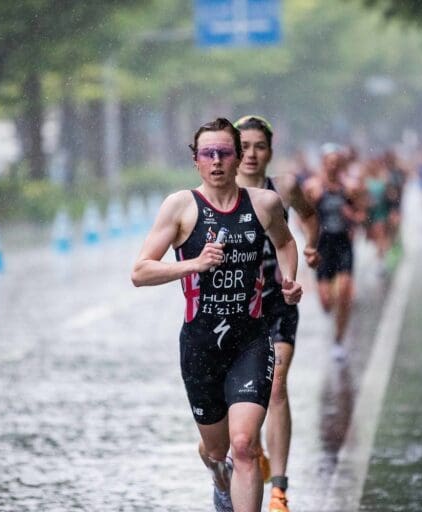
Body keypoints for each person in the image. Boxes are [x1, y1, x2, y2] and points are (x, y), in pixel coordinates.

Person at [131, 118, 303, 512]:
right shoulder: (180, 207)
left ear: (238, 157)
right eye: (208, 154)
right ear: (196, 161)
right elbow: (140, 271)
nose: (217, 161)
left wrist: (289, 278)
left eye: (225, 152)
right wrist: (193, 264)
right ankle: (217, 474)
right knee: (216, 449)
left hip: (251, 341)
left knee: (243, 447)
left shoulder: (264, 204)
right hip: (201, 346)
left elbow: (286, 242)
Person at [233, 115, 319, 512]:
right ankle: (251, 448)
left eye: (259, 147)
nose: (251, 154)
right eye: (244, 146)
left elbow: (309, 215)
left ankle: (279, 489)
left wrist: (313, 246)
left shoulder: (281, 189)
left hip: (277, 302)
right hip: (235, 312)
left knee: (277, 384)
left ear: (270, 151)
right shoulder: (222, 193)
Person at [303, 144, 364, 361]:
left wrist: (352, 216)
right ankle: (332, 312)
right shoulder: (312, 187)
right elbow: (304, 217)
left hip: (343, 245)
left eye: (336, 163)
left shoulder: (351, 187)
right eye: (329, 162)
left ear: (341, 165)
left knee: (345, 292)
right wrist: (309, 242)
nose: (333, 166)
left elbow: (362, 215)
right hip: (323, 246)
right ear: (323, 163)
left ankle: (338, 340)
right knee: (327, 301)